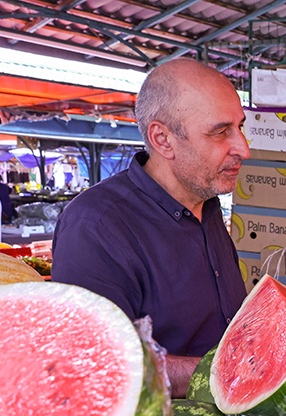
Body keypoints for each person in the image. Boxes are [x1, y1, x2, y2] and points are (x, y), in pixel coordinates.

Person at [52, 58, 249, 398]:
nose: (244, 148)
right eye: (220, 132)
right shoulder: (95, 226)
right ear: (163, 139)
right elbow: (96, 365)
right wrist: (230, 371)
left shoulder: (208, 202)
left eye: (240, 127)